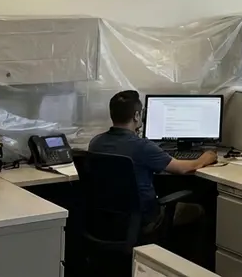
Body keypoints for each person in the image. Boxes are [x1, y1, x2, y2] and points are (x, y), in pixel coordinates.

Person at [89, 90, 217, 233]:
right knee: (199, 209)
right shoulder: (142, 146)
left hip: (106, 219)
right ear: (137, 116)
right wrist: (206, 157)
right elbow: (183, 168)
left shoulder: (95, 143)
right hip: (145, 219)